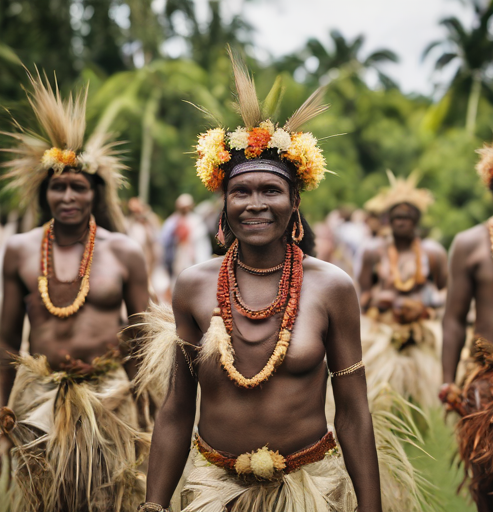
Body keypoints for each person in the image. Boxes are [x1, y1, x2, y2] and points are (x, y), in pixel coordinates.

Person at [134, 52, 428, 512]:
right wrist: (153, 504)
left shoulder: (331, 287)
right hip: (215, 490)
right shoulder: (193, 286)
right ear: (224, 203)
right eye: (241, 191)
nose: (255, 204)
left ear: (294, 201)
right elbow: (176, 406)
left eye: (270, 190)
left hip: (308, 487)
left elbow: (352, 412)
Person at [0, 71, 150, 512]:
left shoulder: (124, 252)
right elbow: (7, 339)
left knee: (107, 499)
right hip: (38, 395)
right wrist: (3, 406)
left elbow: (140, 339)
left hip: (107, 395)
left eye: (77, 186)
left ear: (94, 192)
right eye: (57, 185)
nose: (67, 195)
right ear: (44, 191)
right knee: (45, 500)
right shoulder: (21, 251)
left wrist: (144, 410)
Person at [440, 127, 493, 511]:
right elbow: (453, 318)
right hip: (486, 381)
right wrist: (448, 378)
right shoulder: (469, 244)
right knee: (489, 479)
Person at [358, 171, 447, 409]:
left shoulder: (433, 252)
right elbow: (362, 294)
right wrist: (378, 302)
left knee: (421, 404)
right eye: (396, 216)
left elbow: (446, 292)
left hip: (421, 331)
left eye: (408, 217)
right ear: (388, 219)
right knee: (378, 396)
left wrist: (425, 309)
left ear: (417, 220)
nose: (401, 221)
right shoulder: (373, 251)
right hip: (382, 331)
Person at [161, 193, 212, 287]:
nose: (185, 209)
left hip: (193, 260)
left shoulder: (196, 221)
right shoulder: (172, 222)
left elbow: (202, 244)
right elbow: (164, 241)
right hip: (177, 258)